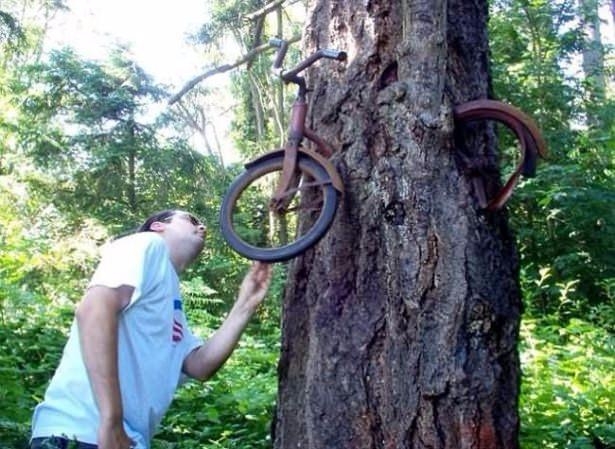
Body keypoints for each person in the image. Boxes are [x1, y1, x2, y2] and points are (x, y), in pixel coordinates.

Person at [29, 209, 272, 449]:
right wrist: (111, 419)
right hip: (82, 431)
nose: (202, 227)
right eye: (191, 220)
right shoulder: (146, 244)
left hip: (120, 440)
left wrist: (246, 303)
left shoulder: (170, 296)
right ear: (158, 226)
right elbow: (93, 310)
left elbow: (199, 365)